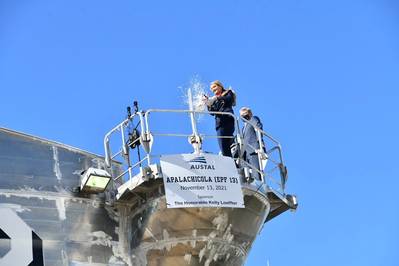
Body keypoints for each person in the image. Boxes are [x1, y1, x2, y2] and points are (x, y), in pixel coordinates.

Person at [203, 80, 236, 157]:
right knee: (223, 146)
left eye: (214, 86)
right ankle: (231, 162)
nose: (213, 89)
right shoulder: (215, 100)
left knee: (225, 143)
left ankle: (230, 161)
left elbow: (228, 99)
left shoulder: (228, 92)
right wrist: (208, 104)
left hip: (227, 120)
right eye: (211, 89)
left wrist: (215, 98)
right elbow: (212, 112)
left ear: (220, 86)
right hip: (219, 124)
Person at [240, 107, 265, 180]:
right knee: (247, 173)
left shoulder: (253, 119)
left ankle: (258, 183)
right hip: (246, 153)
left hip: (254, 150)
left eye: (243, 114)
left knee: (256, 171)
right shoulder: (243, 127)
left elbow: (258, 129)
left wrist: (260, 145)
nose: (242, 116)